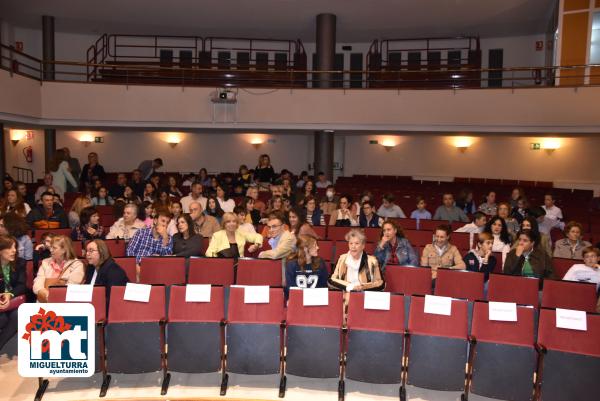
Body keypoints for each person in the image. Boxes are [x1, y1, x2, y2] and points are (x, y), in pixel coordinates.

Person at [33, 235, 85, 302]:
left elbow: (72, 286)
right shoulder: (45, 262)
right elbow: (37, 283)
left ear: (64, 250)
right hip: (45, 301)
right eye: (51, 247)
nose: (51, 250)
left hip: (65, 303)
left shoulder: (76, 265)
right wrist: (45, 294)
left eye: (54, 248)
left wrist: (54, 297)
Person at [0, 235, 27, 350]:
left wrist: (9, 294)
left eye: (15, 247)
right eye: (10, 248)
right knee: (3, 319)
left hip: (14, 302)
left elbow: (22, 285)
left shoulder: (20, 263)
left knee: (17, 315)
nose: (14, 251)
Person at [84, 239, 128, 305]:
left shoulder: (113, 270)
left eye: (91, 250)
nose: (87, 254)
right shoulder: (91, 268)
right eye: (86, 251)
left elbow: (113, 299)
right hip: (91, 306)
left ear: (102, 251)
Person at [285, 234, 329, 298]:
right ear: (305, 249)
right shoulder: (292, 264)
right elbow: (290, 289)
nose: (318, 248)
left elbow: (323, 286)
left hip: (316, 299)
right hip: (297, 300)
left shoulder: (320, 262)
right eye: (314, 246)